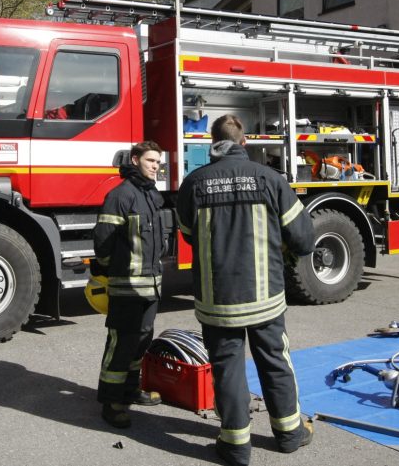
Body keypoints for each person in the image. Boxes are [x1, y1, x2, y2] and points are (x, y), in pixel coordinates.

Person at [176, 115, 316, 466]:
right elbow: (303, 239)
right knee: (274, 360)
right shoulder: (270, 179)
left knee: (227, 368)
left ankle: (236, 446)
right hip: (264, 298)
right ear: (243, 142)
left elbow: (188, 235)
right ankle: (289, 434)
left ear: (212, 142)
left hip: (216, 299)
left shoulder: (194, 183)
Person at [92, 141, 166, 428]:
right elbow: (103, 243)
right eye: (150, 160)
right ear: (135, 160)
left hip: (152, 286)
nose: (155, 166)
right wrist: (114, 271)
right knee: (121, 344)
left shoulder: (151, 194)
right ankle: (111, 401)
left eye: (158, 162)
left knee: (142, 341)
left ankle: (130, 390)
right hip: (127, 287)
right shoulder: (120, 196)